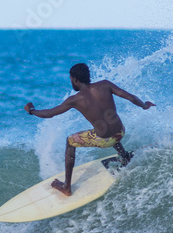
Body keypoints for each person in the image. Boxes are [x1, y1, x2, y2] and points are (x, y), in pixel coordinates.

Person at [24, 63, 155, 196]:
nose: (71, 82)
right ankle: (124, 156)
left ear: (75, 79)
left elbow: (49, 113)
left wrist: (32, 111)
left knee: (70, 141)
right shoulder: (105, 84)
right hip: (120, 131)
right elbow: (131, 97)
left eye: (70, 79)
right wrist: (144, 105)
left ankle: (66, 187)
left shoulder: (75, 99)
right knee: (106, 123)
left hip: (105, 140)